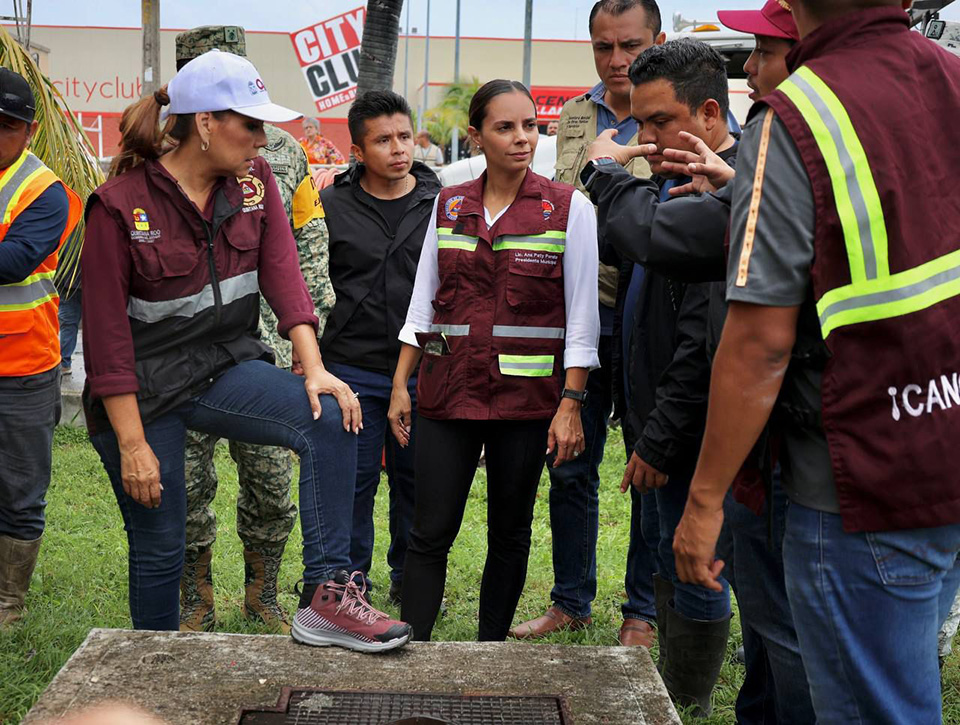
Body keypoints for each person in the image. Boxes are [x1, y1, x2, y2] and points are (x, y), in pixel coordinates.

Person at [672, 1, 960, 722]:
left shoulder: (795, 115)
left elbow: (760, 343)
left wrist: (704, 502)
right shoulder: (951, 77)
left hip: (857, 483)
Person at [81, 49, 411, 653]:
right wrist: (133, 446)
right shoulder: (118, 205)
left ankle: (327, 599)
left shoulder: (253, 186)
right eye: (251, 123)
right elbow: (105, 340)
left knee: (333, 414)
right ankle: (150, 668)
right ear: (205, 123)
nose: (263, 138)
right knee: (162, 545)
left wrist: (315, 371)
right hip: (144, 396)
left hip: (221, 369)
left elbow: (285, 279)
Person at [391, 79, 600, 642]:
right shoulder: (448, 203)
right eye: (505, 127)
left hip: (526, 404)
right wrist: (400, 385)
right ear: (475, 136)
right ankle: (412, 654)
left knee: (511, 533)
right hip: (446, 392)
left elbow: (582, 320)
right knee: (429, 532)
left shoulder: (568, 208)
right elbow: (422, 301)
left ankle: (490, 654)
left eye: (530, 125)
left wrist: (571, 404)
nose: (522, 137)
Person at [582, 38, 738, 716]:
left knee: (697, 563)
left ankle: (686, 701)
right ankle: (676, 689)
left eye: (657, 123)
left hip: (691, 437)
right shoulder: (683, 182)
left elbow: (698, 356)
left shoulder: (725, 203)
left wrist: (659, 439)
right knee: (672, 558)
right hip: (658, 424)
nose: (643, 139)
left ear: (708, 114)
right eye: (637, 125)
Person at [172, 25, 336, 635]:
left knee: (271, 481)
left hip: (262, 349)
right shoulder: (153, 156)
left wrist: (306, 340)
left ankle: (262, 590)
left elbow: (308, 242)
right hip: (182, 358)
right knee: (186, 484)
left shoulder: (282, 154)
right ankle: (195, 595)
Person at [511, 0, 664, 648]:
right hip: (581, 309)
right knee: (569, 457)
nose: (616, 59)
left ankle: (643, 609)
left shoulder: (680, 110)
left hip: (650, 311)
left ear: (657, 39)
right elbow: (559, 200)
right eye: (603, 46)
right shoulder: (576, 114)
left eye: (629, 44)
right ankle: (570, 600)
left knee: (647, 461)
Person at [319, 91, 441, 603]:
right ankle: (353, 587)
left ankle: (409, 578)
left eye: (405, 137)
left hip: (426, 372)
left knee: (417, 482)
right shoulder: (330, 205)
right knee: (356, 482)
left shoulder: (443, 203)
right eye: (383, 140)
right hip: (352, 368)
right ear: (357, 150)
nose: (398, 149)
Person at [0, 68, 82, 627]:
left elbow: (13, 261)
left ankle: (8, 602)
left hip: (23, 366)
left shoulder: (45, 191)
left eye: (7, 125)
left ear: (29, 131)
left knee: (21, 489)